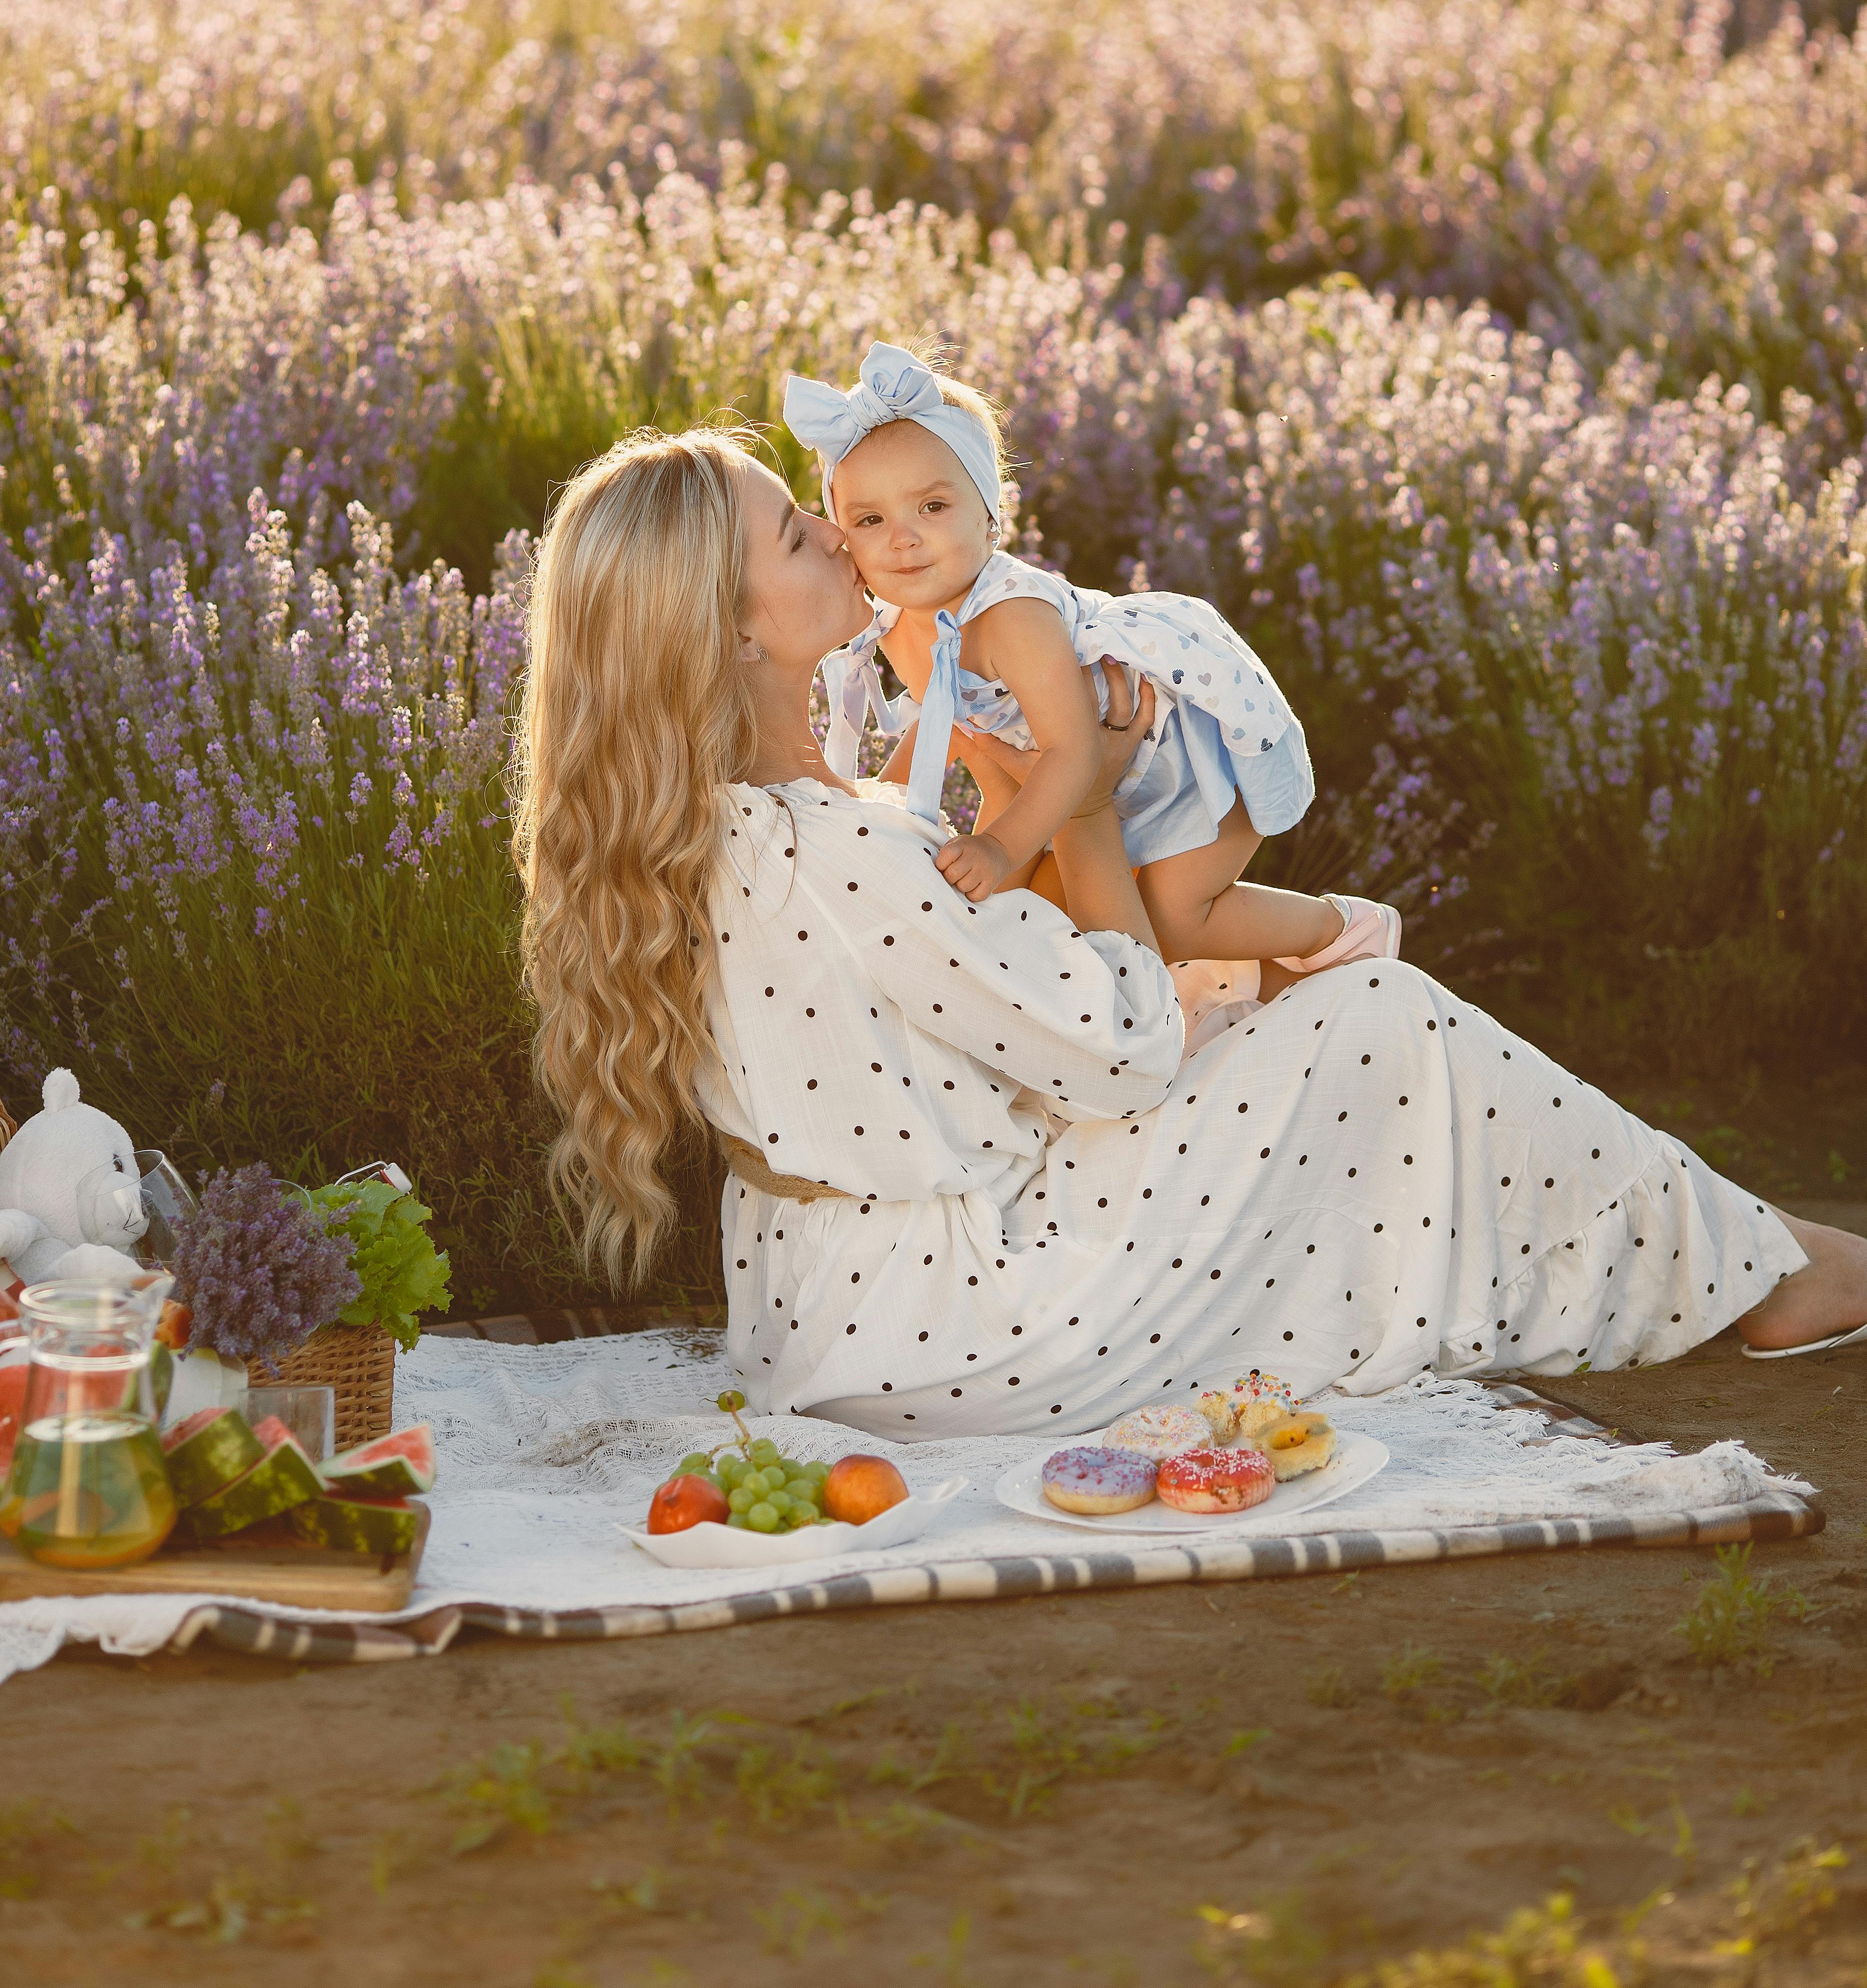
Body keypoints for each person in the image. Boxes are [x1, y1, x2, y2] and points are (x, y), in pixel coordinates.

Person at [511, 426, 1867, 1438]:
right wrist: (1089, 801)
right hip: (962, 1336)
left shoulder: (725, 825)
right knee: (1379, 1019)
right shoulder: (840, 849)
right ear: (736, 635)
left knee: (1283, 1028)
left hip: (822, 1320)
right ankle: (1763, 1273)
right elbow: (1124, 1050)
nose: (834, 528)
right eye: (797, 536)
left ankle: (1735, 1252)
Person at [784, 339, 1391, 980]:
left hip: (1187, 760)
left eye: (933, 507)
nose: (903, 538)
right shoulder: (903, 627)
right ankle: (1268, 984)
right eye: (870, 519)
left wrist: (997, 849)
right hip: (1086, 778)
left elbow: (1073, 752)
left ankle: (1344, 930)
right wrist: (876, 807)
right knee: (1011, 916)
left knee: (1174, 917)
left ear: (990, 516)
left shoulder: (1014, 620)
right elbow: (955, 730)